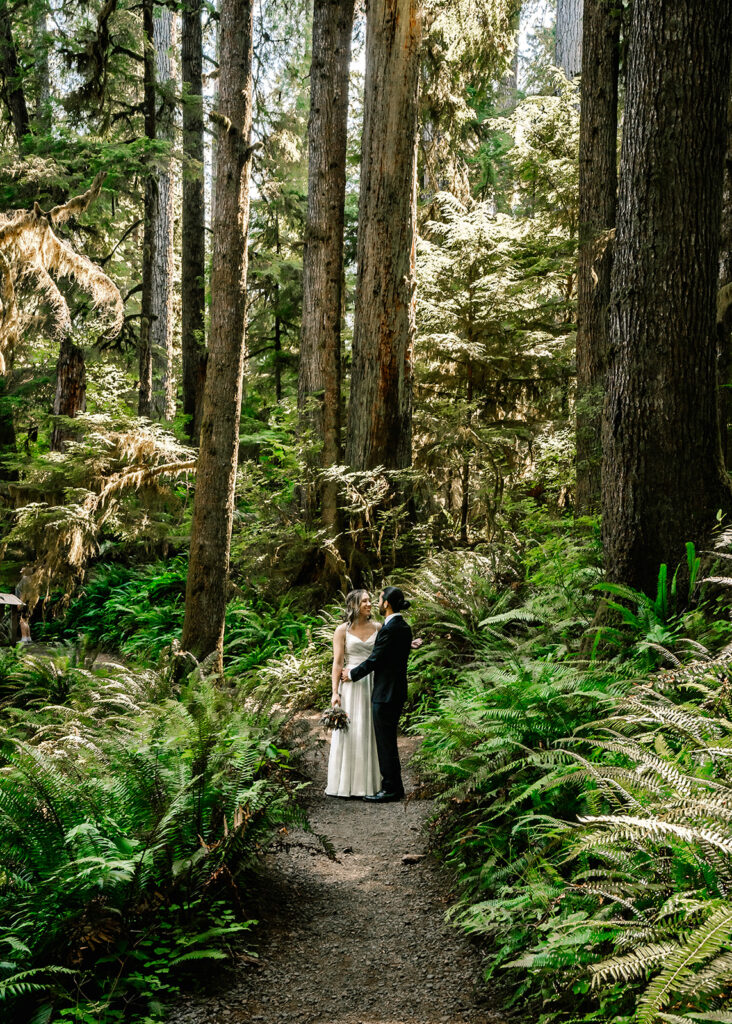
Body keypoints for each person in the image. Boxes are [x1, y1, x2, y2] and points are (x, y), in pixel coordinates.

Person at [342, 586, 413, 803]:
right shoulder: (404, 627)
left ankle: (391, 788)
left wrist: (352, 674)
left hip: (385, 692)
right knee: (388, 740)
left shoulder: (390, 628)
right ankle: (395, 786)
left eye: (379, 599)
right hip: (396, 690)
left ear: (387, 604)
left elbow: (376, 659)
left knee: (385, 742)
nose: (376, 602)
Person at [325, 589, 381, 798]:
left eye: (370, 600)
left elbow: (387, 650)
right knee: (351, 730)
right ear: (354, 605)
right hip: (350, 685)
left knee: (370, 730)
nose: (369, 604)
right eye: (364, 601)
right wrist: (335, 692)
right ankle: (348, 783)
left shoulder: (378, 627)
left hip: (373, 682)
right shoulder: (342, 630)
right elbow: (338, 662)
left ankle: (371, 783)